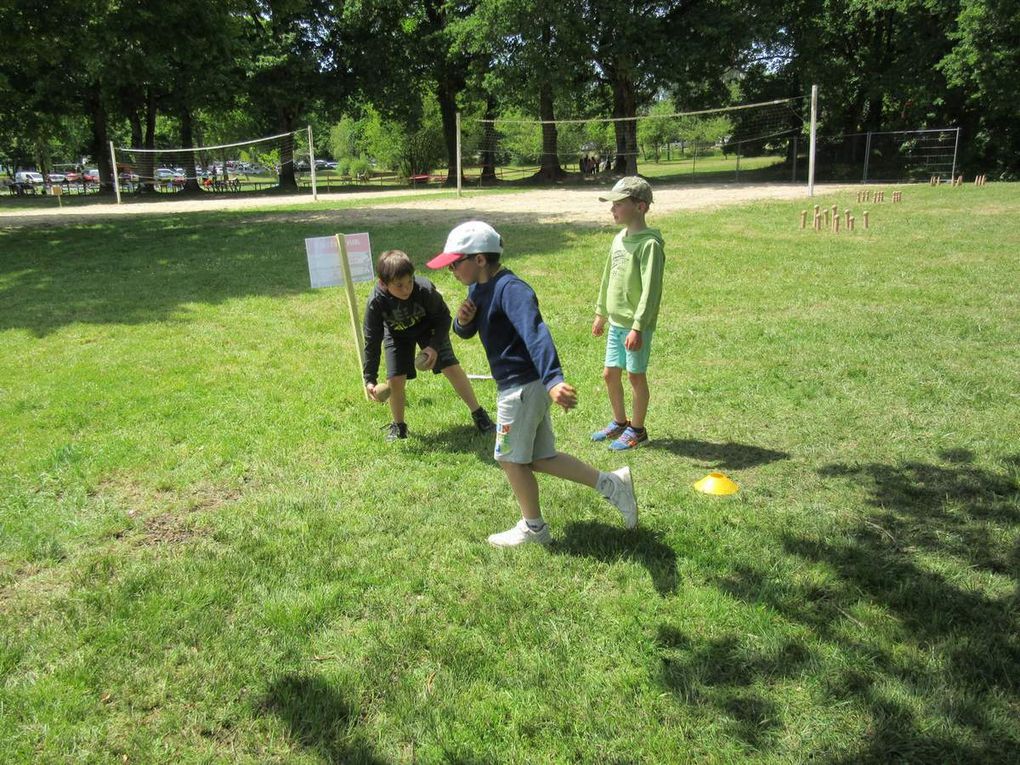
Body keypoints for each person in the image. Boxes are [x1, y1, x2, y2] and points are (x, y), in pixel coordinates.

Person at [428, 221, 637, 547]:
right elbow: (469, 330)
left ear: (480, 260)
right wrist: (462, 322)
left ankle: (534, 528)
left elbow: (536, 334)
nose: (451, 270)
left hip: (522, 387)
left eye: (455, 263)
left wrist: (554, 380)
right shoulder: (478, 290)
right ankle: (613, 484)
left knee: (510, 458)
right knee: (539, 457)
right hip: (521, 387)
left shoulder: (512, 290)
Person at [363, 249, 496, 441]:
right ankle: (398, 426)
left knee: (450, 366)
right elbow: (372, 340)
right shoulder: (376, 302)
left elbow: (444, 318)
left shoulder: (424, 289)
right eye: (399, 285)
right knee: (395, 379)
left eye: (409, 281)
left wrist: (433, 346)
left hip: (429, 328)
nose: (406, 289)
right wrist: (370, 379)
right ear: (383, 284)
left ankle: (479, 414)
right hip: (396, 333)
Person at [591, 176, 666, 450]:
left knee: (635, 376)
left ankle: (637, 429)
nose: (613, 210)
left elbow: (651, 291)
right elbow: (607, 278)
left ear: (641, 207)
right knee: (610, 374)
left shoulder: (650, 246)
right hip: (615, 323)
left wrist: (638, 327)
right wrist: (601, 312)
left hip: (636, 327)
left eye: (619, 204)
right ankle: (619, 422)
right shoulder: (618, 239)